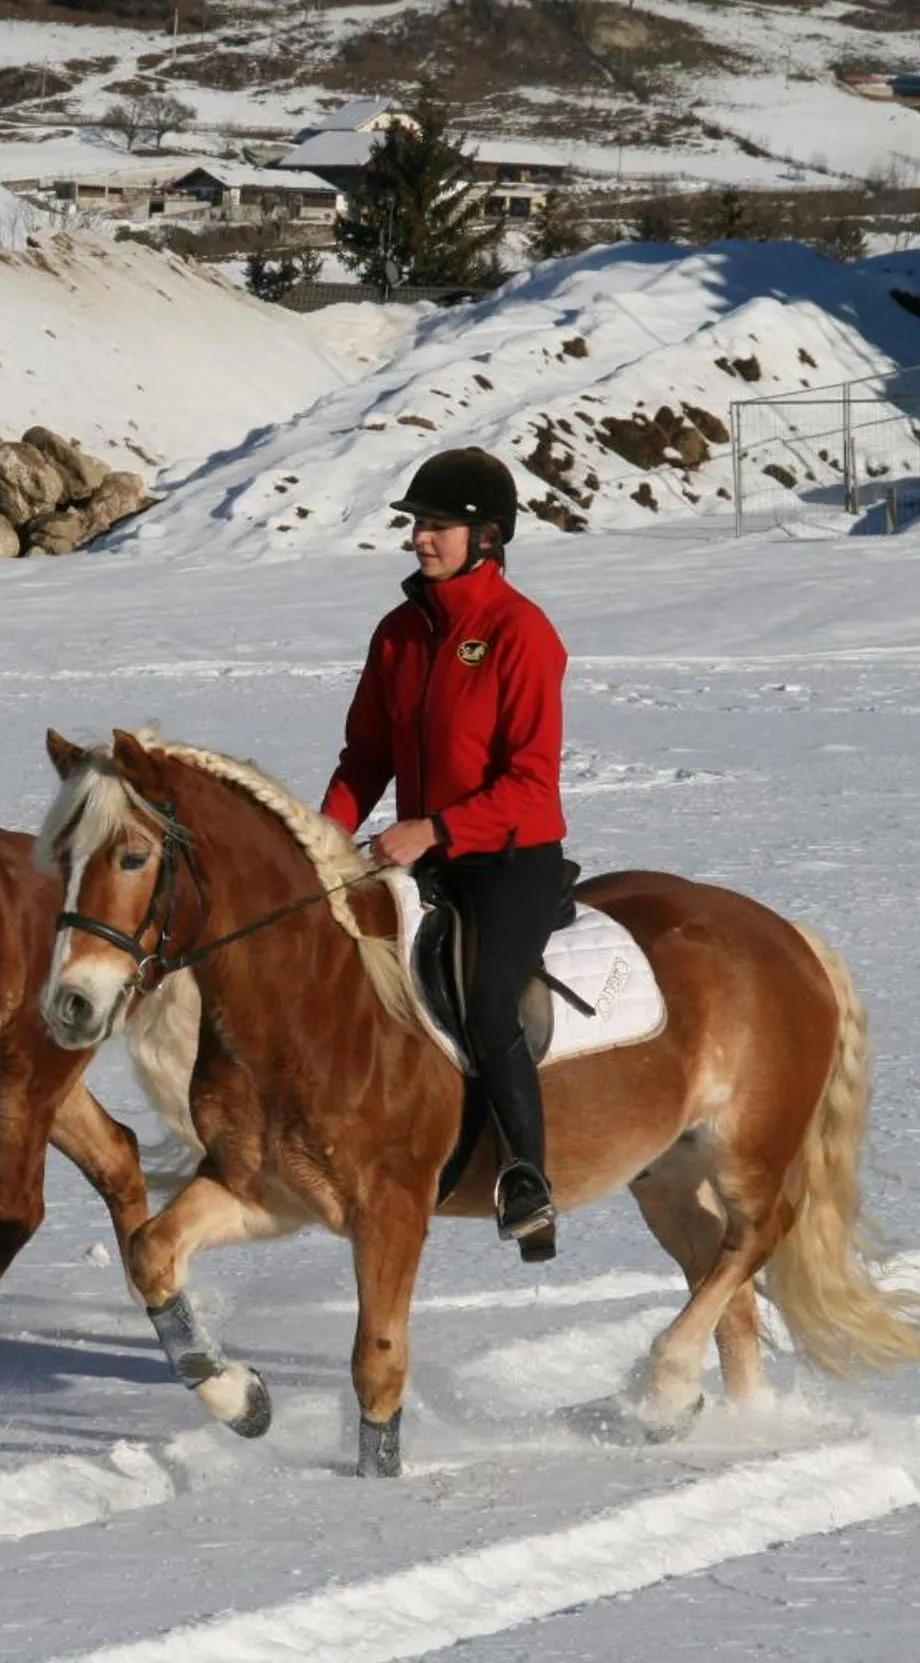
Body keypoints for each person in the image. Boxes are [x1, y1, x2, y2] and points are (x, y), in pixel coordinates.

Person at [318, 448, 569, 1256]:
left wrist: (435, 829)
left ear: (486, 536)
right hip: (421, 857)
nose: (420, 538)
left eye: (437, 525)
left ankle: (526, 1178)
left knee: (489, 1002)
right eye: (417, 524)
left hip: (509, 860)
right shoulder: (398, 633)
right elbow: (366, 757)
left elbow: (531, 782)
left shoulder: (521, 633)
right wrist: (321, 839)